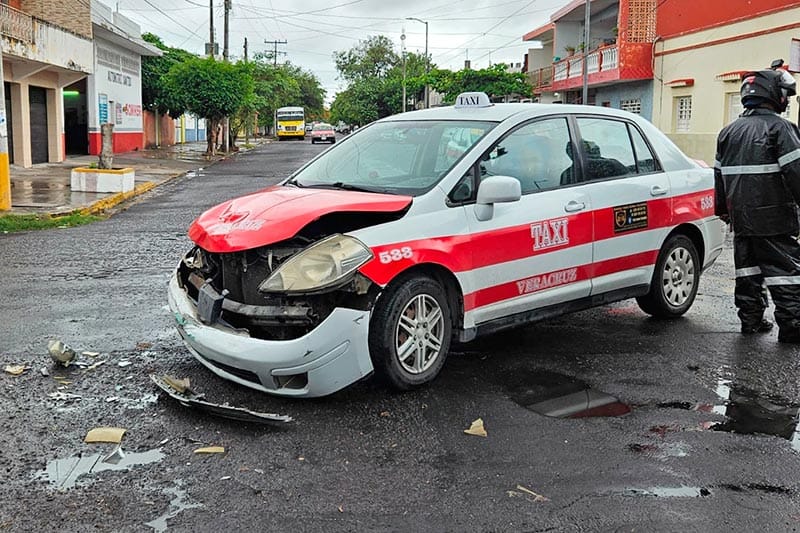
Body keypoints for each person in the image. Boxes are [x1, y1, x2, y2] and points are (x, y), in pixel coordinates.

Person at [714, 67, 800, 343]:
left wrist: (723, 211)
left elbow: (718, 177)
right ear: (774, 95)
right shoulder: (781, 128)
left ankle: (750, 320)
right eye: (785, 94)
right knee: (785, 273)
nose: (786, 100)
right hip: (773, 216)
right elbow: (796, 172)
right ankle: (793, 326)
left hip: (740, 217)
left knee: (747, 270)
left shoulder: (728, 132)